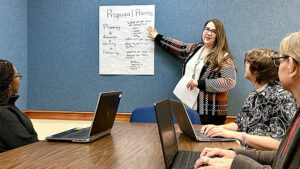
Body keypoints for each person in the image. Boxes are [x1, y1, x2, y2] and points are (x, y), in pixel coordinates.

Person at [194, 31, 300, 169]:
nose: (277, 67)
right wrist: (235, 155)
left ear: (291, 65)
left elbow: (277, 146)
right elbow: (281, 156)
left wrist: (236, 163)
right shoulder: (255, 95)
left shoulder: (283, 98)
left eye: (279, 61)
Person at [200, 48, 298, 150]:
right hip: (244, 151)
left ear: (256, 70)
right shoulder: (254, 94)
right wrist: (218, 128)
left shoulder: (283, 97)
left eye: (246, 63)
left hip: (260, 160)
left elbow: (279, 144)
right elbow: (239, 124)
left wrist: (238, 136)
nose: (244, 65)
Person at [148, 19, 236, 124]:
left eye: (214, 31)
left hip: (210, 111)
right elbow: (179, 47)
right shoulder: (197, 48)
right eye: (207, 29)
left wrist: (199, 83)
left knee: (205, 138)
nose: (208, 33)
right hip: (188, 104)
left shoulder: (224, 56)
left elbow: (230, 82)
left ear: (219, 35)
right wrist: (158, 37)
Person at [0, 59, 38, 153]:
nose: (19, 80)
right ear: (9, 83)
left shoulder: (7, 106)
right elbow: (27, 146)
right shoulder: (3, 113)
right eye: (18, 76)